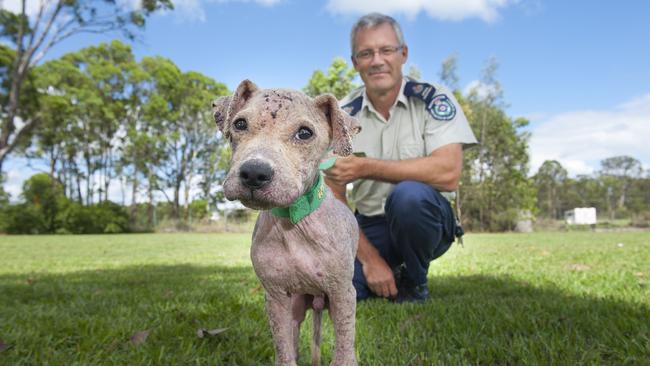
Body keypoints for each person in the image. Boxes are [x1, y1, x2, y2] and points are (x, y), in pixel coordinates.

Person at [323, 13, 477, 302]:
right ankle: (389, 269)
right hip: (369, 225)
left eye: (386, 50)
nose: (377, 60)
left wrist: (366, 167)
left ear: (403, 54)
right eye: (366, 53)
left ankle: (414, 282)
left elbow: (449, 173)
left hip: (425, 218)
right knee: (339, 289)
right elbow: (332, 197)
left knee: (409, 197)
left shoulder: (433, 98)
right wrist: (370, 260)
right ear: (355, 62)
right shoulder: (340, 115)